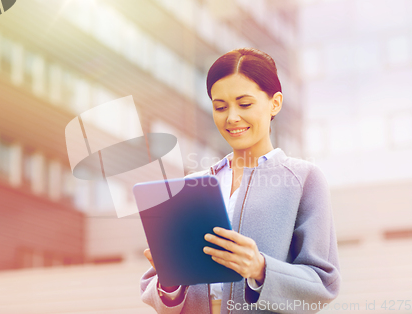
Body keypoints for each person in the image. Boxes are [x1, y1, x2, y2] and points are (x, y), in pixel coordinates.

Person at [140, 48, 341, 314]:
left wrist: (259, 268)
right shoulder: (192, 185)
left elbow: (323, 286)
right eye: (220, 107)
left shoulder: (304, 180)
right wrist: (169, 280)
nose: (231, 117)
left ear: (275, 103)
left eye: (244, 104)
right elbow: (160, 296)